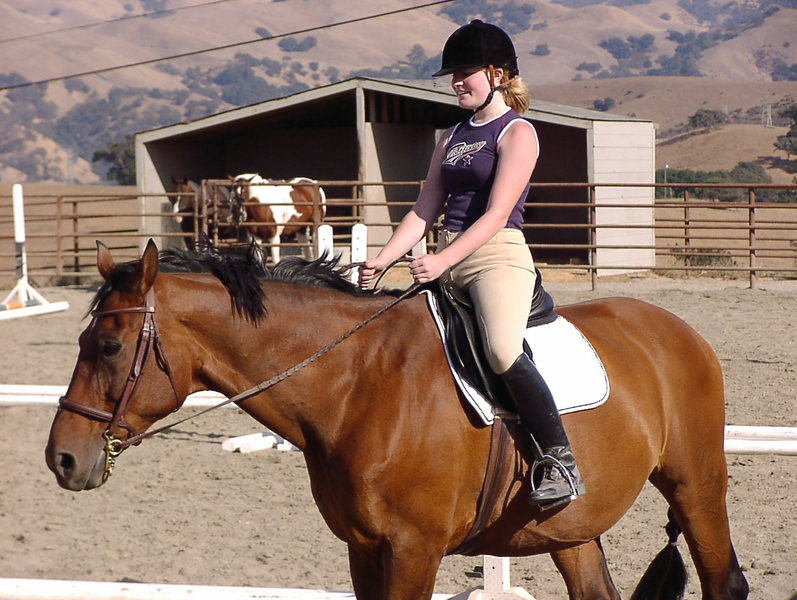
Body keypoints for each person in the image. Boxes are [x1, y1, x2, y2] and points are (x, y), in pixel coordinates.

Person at [359, 19, 585, 506]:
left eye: (465, 73)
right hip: (447, 254)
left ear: (497, 75)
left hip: (496, 257)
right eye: (454, 75)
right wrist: (382, 259)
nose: (457, 82)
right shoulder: (452, 136)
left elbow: (498, 213)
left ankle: (559, 460)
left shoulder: (517, 132)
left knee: (502, 350)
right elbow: (424, 209)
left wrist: (442, 261)